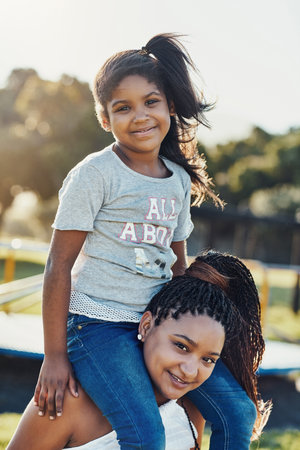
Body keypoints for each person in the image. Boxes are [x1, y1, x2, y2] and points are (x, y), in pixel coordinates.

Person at [33, 32, 260, 449]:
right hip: (96, 327)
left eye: (151, 102)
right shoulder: (95, 174)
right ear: (105, 119)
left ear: (169, 105)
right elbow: (58, 265)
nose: (140, 116)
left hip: (153, 326)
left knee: (238, 411)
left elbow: (178, 267)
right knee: (146, 434)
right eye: (123, 108)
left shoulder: (176, 181)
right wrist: (55, 356)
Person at [8, 251, 269, 449]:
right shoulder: (67, 400)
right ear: (146, 325)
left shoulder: (190, 405)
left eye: (209, 358)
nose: (190, 370)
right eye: (180, 345)